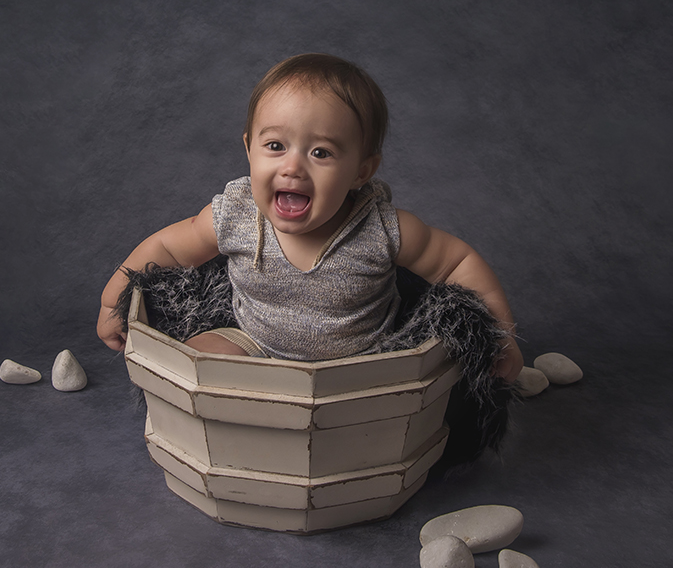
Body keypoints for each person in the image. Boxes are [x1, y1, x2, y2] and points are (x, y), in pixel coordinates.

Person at [97, 53, 523, 382]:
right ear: (249, 149)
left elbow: (457, 263)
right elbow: (168, 247)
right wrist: (112, 300)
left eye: (321, 152)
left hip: (358, 361)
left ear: (361, 170)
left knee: (397, 392)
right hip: (254, 343)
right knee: (197, 362)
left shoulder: (380, 228)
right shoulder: (237, 215)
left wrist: (500, 336)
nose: (293, 168)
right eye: (275, 146)